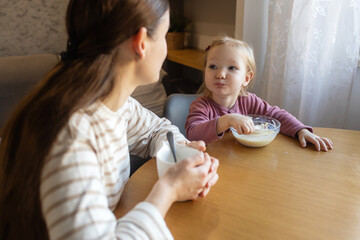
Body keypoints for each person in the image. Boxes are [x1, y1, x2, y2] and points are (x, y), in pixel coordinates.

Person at [0, 0, 219, 239]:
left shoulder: (113, 104)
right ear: (141, 42)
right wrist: (168, 189)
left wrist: (179, 153)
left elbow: (157, 129)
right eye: (165, 35)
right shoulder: (70, 134)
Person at [185, 35, 333, 152]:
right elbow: (193, 134)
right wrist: (228, 120)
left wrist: (301, 130)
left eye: (231, 68)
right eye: (213, 66)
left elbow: (277, 115)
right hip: (213, 166)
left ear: (246, 78)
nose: (221, 74)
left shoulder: (249, 101)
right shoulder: (201, 106)